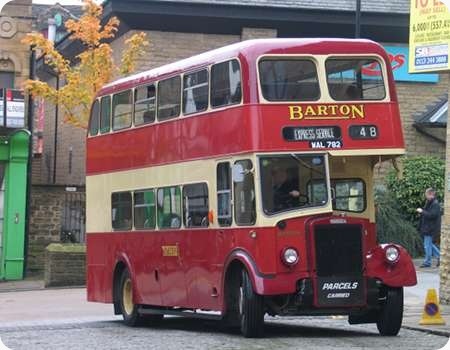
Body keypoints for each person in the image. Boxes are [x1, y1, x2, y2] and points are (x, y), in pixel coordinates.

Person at [417, 188, 441, 268]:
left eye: (426, 194)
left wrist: (422, 211)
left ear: (431, 194)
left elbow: (432, 215)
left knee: (427, 245)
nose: (425, 196)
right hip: (428, 227)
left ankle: (427, 262)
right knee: (429, 244)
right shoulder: (430, 202)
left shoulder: (435, 204)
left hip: (431, 228)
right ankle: (440, 257)